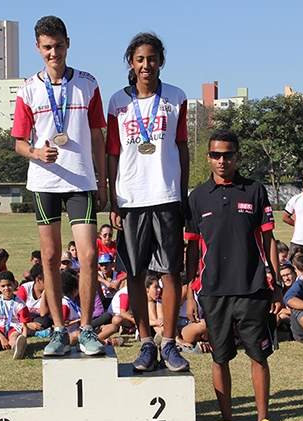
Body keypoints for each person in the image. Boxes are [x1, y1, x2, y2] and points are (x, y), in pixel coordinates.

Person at [11, 15, 107, 357]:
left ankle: (84, 329)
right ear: (38, 48)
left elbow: (97, 135)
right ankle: (55, 329)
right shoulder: (28, 89)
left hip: (81, 180)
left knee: (90, 255)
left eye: (60, 46)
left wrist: (103, 180)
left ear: (68, 44)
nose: (55, 53)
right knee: (50, 256)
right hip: (44, 182)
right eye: (48, 47)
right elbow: (20, 142)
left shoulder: (88, 84)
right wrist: (37, 152)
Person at [185, 129, 283, 421]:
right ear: (209, 157)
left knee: (258, 355)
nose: (222, 160)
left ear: (238, 156)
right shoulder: (197, 197)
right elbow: (191, 249)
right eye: (216, 154)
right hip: (212, 290)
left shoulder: (255, 190)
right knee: (220, 358)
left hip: (252, 286)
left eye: (228, 154)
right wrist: (190, 292)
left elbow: (268, 239)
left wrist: (276, 282)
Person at [106, 32, 190, 372]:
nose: (146, 65)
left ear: (161, 61)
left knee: (171, 272)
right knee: (136, 274)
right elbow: (113, 153)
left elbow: (182, 147)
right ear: (131, 62)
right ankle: (145, 343)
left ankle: (168, 342)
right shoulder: (117, 103)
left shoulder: (176, 97)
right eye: (140, 59)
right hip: (130, 199)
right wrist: (112, 199)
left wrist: (182, 195)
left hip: (167, 196)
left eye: (152, 58)